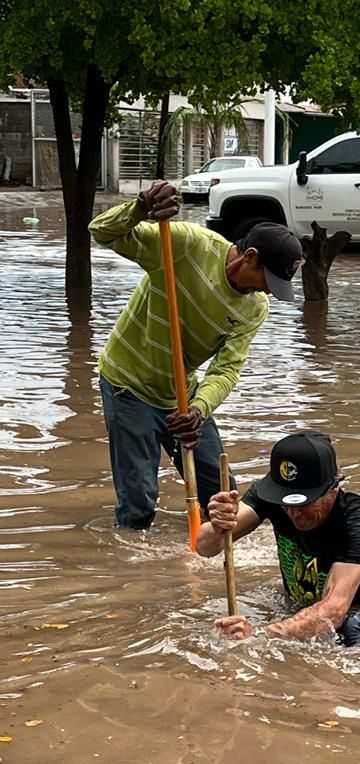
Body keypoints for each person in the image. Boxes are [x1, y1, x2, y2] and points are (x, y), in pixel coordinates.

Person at [89, 180, 303, 529]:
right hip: (129, 383)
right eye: (267, 280)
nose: (266, 291)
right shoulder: (189, 246)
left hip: (182, 396)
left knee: (221, 496)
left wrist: (199, 410)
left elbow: (226, 370)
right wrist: (140, 207)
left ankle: (201, 562)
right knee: (139, 503)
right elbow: (102, 232)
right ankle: (131, 573)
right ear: (250, 257)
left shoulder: (254, 308)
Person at [196, 431, 360, 646]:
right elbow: (205, 548)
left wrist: (260, 636)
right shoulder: (271, 495)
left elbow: (335, 610)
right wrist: (219, 526)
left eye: (304, 504)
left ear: (334, 489)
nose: (294, 513)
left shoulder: (357, 520)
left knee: (352, 627)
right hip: (303, 606)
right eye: (286, 503)